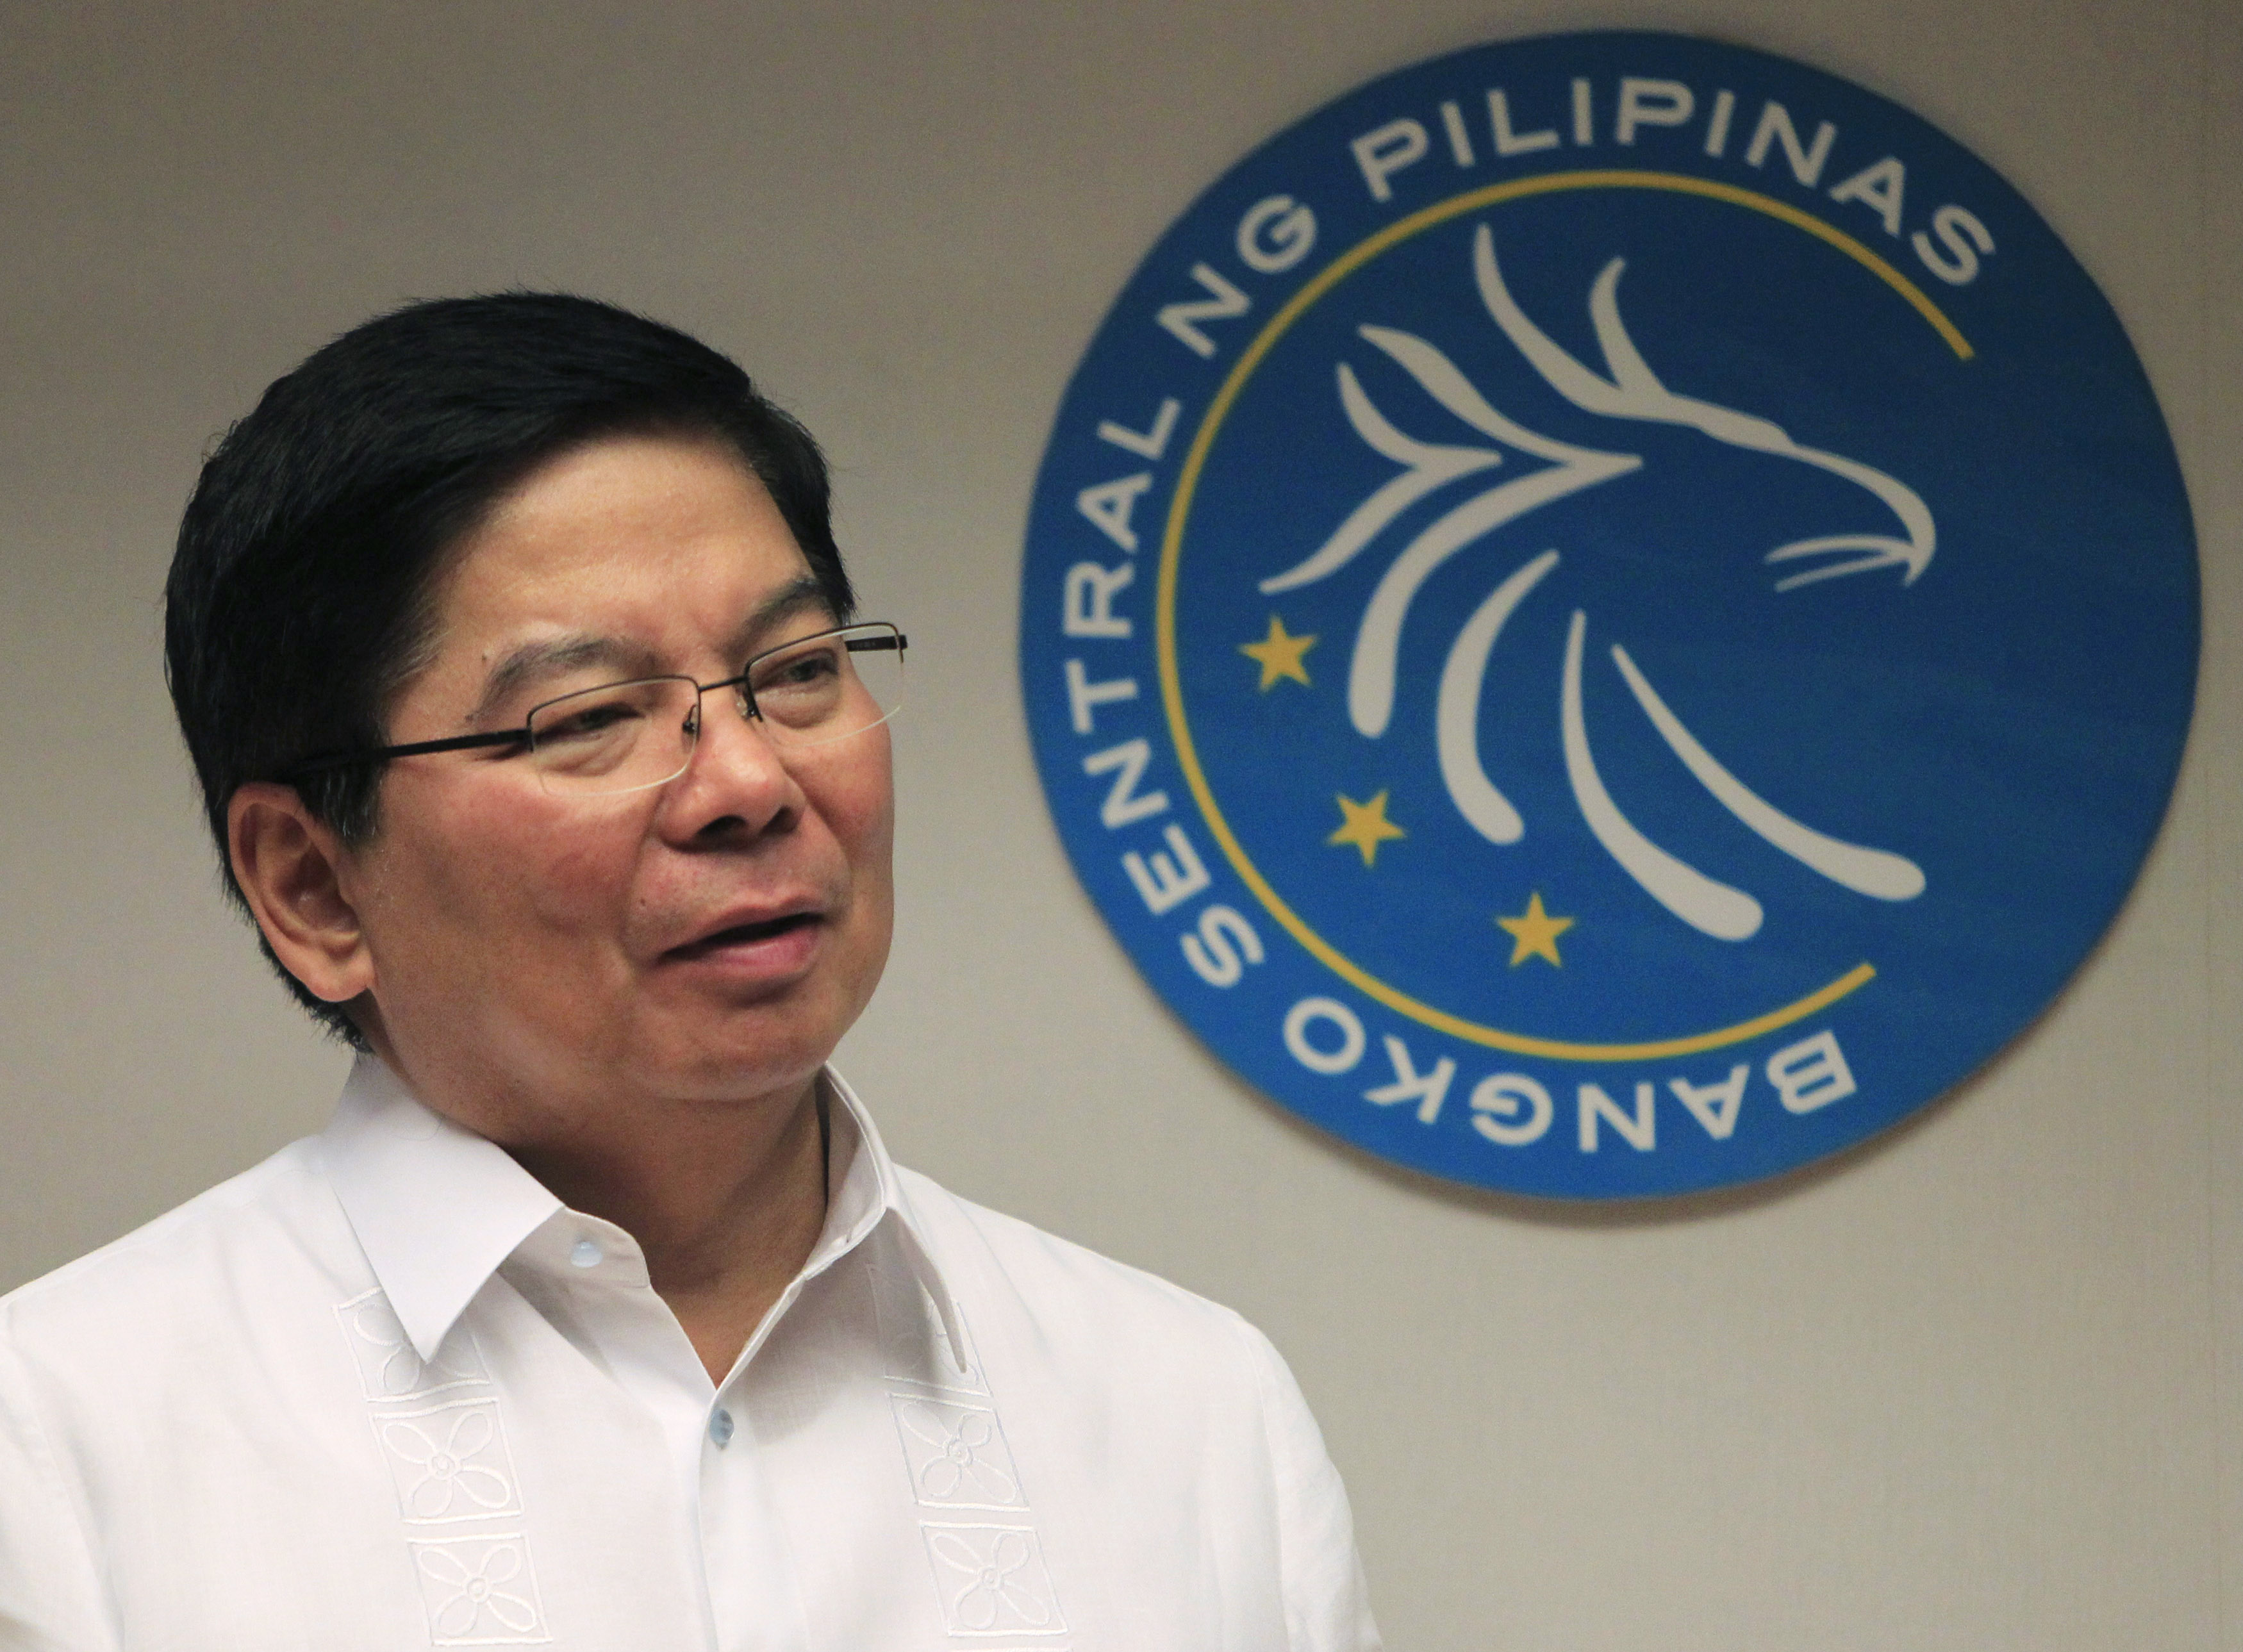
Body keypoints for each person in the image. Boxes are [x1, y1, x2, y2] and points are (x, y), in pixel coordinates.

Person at [0, 295, 1378, 1651]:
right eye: (592, 716)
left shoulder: (1193, 1414)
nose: (749, 779)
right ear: (312, 881)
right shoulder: (59, 1450)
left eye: (795, 669)